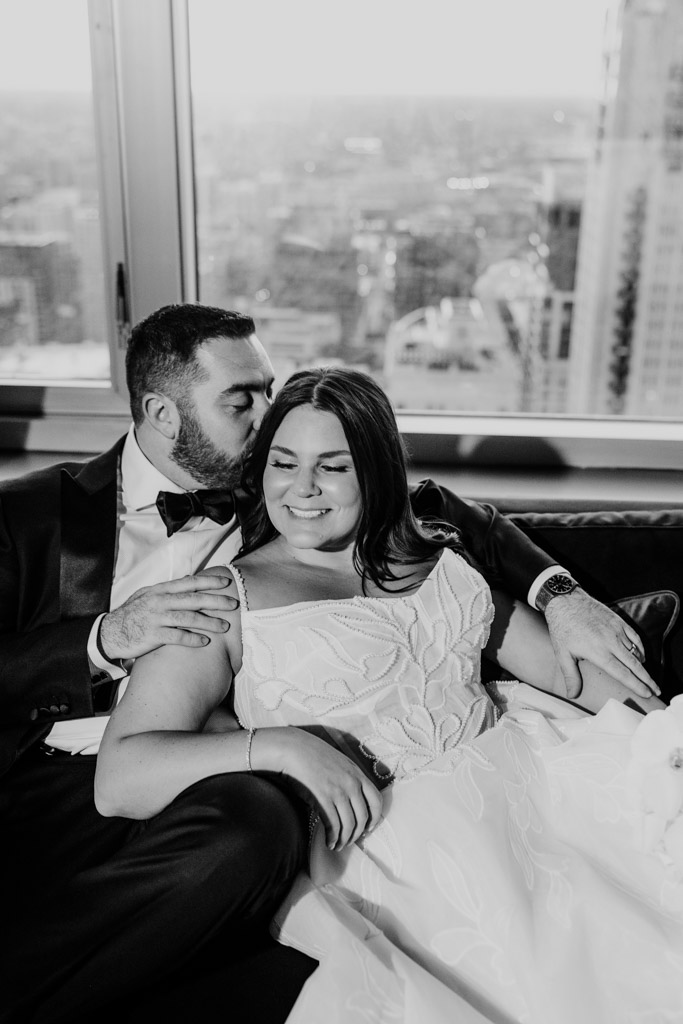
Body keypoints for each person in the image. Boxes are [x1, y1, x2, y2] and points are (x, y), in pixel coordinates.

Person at [0, 304, 656, 1023]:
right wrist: (101, 638)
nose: (267, 421)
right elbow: (116, 773)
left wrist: (560, 595)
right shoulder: (33, 516)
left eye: (268, 391)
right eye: (240, 401)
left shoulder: (295, 479)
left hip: (257, 787)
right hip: (61, 774)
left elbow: (449, 524)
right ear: (162, 412)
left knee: (259, 819)